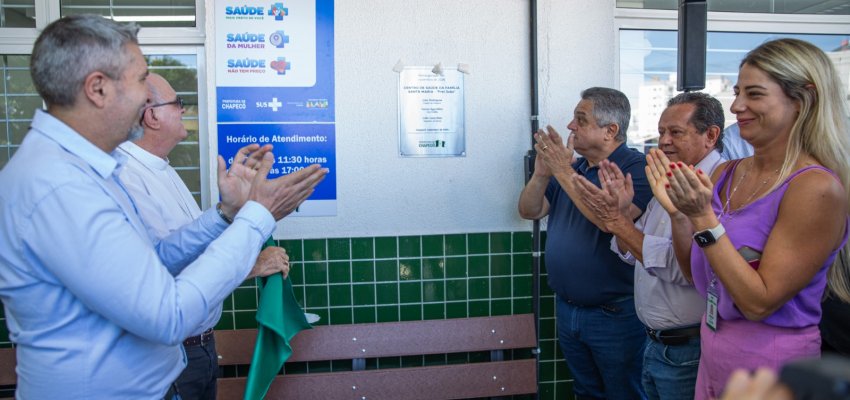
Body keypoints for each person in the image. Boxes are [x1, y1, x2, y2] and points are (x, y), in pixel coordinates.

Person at [0, 14, 327, 399]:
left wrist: (227, 215)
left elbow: (153, 260)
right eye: (141, 79)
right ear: (98, 89)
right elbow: (167, 315)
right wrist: (257, 217)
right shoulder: (59, 185)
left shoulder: (87, 171)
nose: (145, 99)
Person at [646, 38, 850, 400]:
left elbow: (759, 302)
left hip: (771, 365)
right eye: (738, 92)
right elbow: (701, 278)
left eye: (754, 94)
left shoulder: (815, 188)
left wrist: (703, 218)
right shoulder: (726, 172)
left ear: (804, 98)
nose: (737, 106)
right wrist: (680, 216)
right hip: (713, 353)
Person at [117, 73, 291, 400]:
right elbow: (161, 274)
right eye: (178, 103)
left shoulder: (161, 169)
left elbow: (184, 250)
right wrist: (251, 262)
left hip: (200, 349)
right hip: (166, 355)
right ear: (151, 115)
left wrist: (230, 210)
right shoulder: (126, 177)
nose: (185, 110)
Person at [573, 92, 726, 400]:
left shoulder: (717, 184)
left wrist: (617, 222)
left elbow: (683, 267)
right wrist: (623, 211)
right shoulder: (672, 176)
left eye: (676, 132)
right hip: (657, 344)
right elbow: (632, 251)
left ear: (710, 136)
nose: (664, 141)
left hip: (688, 349)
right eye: (661, 132)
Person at [518, 87, 652, 399]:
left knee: (624, 393)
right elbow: (530, 210)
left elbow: (611, 222)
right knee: (586, 392)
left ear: (611, 131)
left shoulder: (635, 168)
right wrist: (541, 174)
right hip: (569, 309)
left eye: (581, 119)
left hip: (615, 314)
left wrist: (562, 171)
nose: (570, 126)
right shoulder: (576, 169)